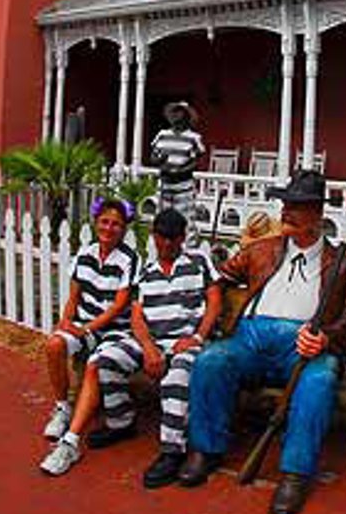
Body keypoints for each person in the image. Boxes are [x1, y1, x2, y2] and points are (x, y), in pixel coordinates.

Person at [180, 169, 346, 514]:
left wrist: (326, 337)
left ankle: (295, 473)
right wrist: (211, 311)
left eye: (298, 205)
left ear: (318, 214)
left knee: (321, 379)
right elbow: (217, 279)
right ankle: (205, 449)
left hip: (303, 347)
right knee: (211, 360)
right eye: (286, 204)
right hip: (250, 339)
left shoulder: (343, 264)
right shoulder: (260, 250)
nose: (287, 212)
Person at [39, 208, 221, 487]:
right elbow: (136, 315)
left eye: (174, 238)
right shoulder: (146, 273)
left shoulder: (199, 261)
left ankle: (172, 451)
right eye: (162, 238)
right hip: (150, 340)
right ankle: (121, 421)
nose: (168, 244)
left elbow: (214, 302)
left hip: (185, 341)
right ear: (154, 237)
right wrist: (148, 347)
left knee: (176, 376)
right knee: (104, 361)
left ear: (183, 238)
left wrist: (197, 338)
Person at [39, 198, 140, 447]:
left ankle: (74, 438)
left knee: (96, 362)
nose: (109, 228)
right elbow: (74, 297)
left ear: (124, 229)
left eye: (116, 224)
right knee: (54, 345)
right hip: (85, 325)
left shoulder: (130, 259)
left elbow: (119, 306)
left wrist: (85, 329)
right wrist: (65, 322)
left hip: (116, 330)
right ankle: (63, 407)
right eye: (104, 222)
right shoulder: (84, 255)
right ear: (95, 223)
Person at [150, 101, 205, 229]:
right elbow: (153, 157)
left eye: (179, 112)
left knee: (185, 220)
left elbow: (197, 161)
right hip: (164, 183)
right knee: (162, 219)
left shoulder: (194, 137)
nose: (176, 115)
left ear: (186, 116)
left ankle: (187, 247)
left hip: (184, 185)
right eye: (173, 112)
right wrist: (159, 161)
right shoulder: (162, 135)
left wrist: (180, 170)